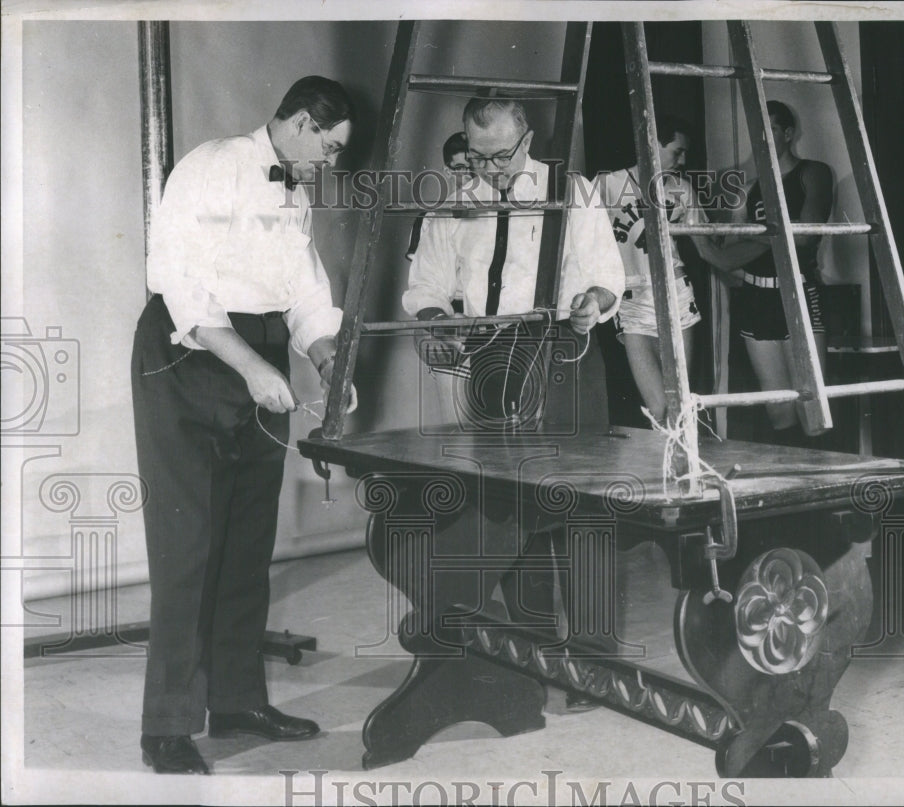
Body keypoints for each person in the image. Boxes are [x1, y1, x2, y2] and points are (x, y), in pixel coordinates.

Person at [131, 76, 357, 775]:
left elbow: (306, 292)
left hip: (258, 351)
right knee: (188, 545)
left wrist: (326, 359)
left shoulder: (297, 189)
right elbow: (181, 285)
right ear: (298, 123)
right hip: (190, 352)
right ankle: (165, 725)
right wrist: (251, 370)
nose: (335, 162)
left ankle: (236, 699)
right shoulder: (211, 166)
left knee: (248, 542)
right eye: (332, 147)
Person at [399, 97, 625, 709]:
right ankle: (532, 658)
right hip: (489, 361)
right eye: (479, 154)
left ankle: (595, 666)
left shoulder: (571, 192)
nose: (492, 168)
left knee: (585, 512)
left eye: (502, 155)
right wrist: (435, 318)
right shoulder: (453, 199)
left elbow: (609, 276)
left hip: (562, 358)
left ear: (526, 139)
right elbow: (423, 286)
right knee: (510, 509)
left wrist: (591, 302)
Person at [709, 100, 833, 445]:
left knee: (813, 411)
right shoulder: (748, 187)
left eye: (772, 130)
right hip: (756, 296)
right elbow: (728, 254)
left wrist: (756, 238)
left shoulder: (813, 172)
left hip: (797, 292)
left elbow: (806, 236)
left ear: (789, 133)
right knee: (779, 412)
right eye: (758, 131)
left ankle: (820, 490)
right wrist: (767, 237)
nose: (763, 138)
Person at [597, 114, 730, 426]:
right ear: (651, 143)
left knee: (678, 404)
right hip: (633, 299)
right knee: (658, 408)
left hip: (677, 296)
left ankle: (681, 473)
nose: (682, 160)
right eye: (677, 151)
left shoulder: (681, 189)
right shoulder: (606, 186)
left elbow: (706, 246)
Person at [405, 131, 471, 262]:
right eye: (461, 167)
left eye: (474, 166)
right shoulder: (428, 218)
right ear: (448, 171)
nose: (470, 173)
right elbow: (422, 274)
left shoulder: (497, 209)